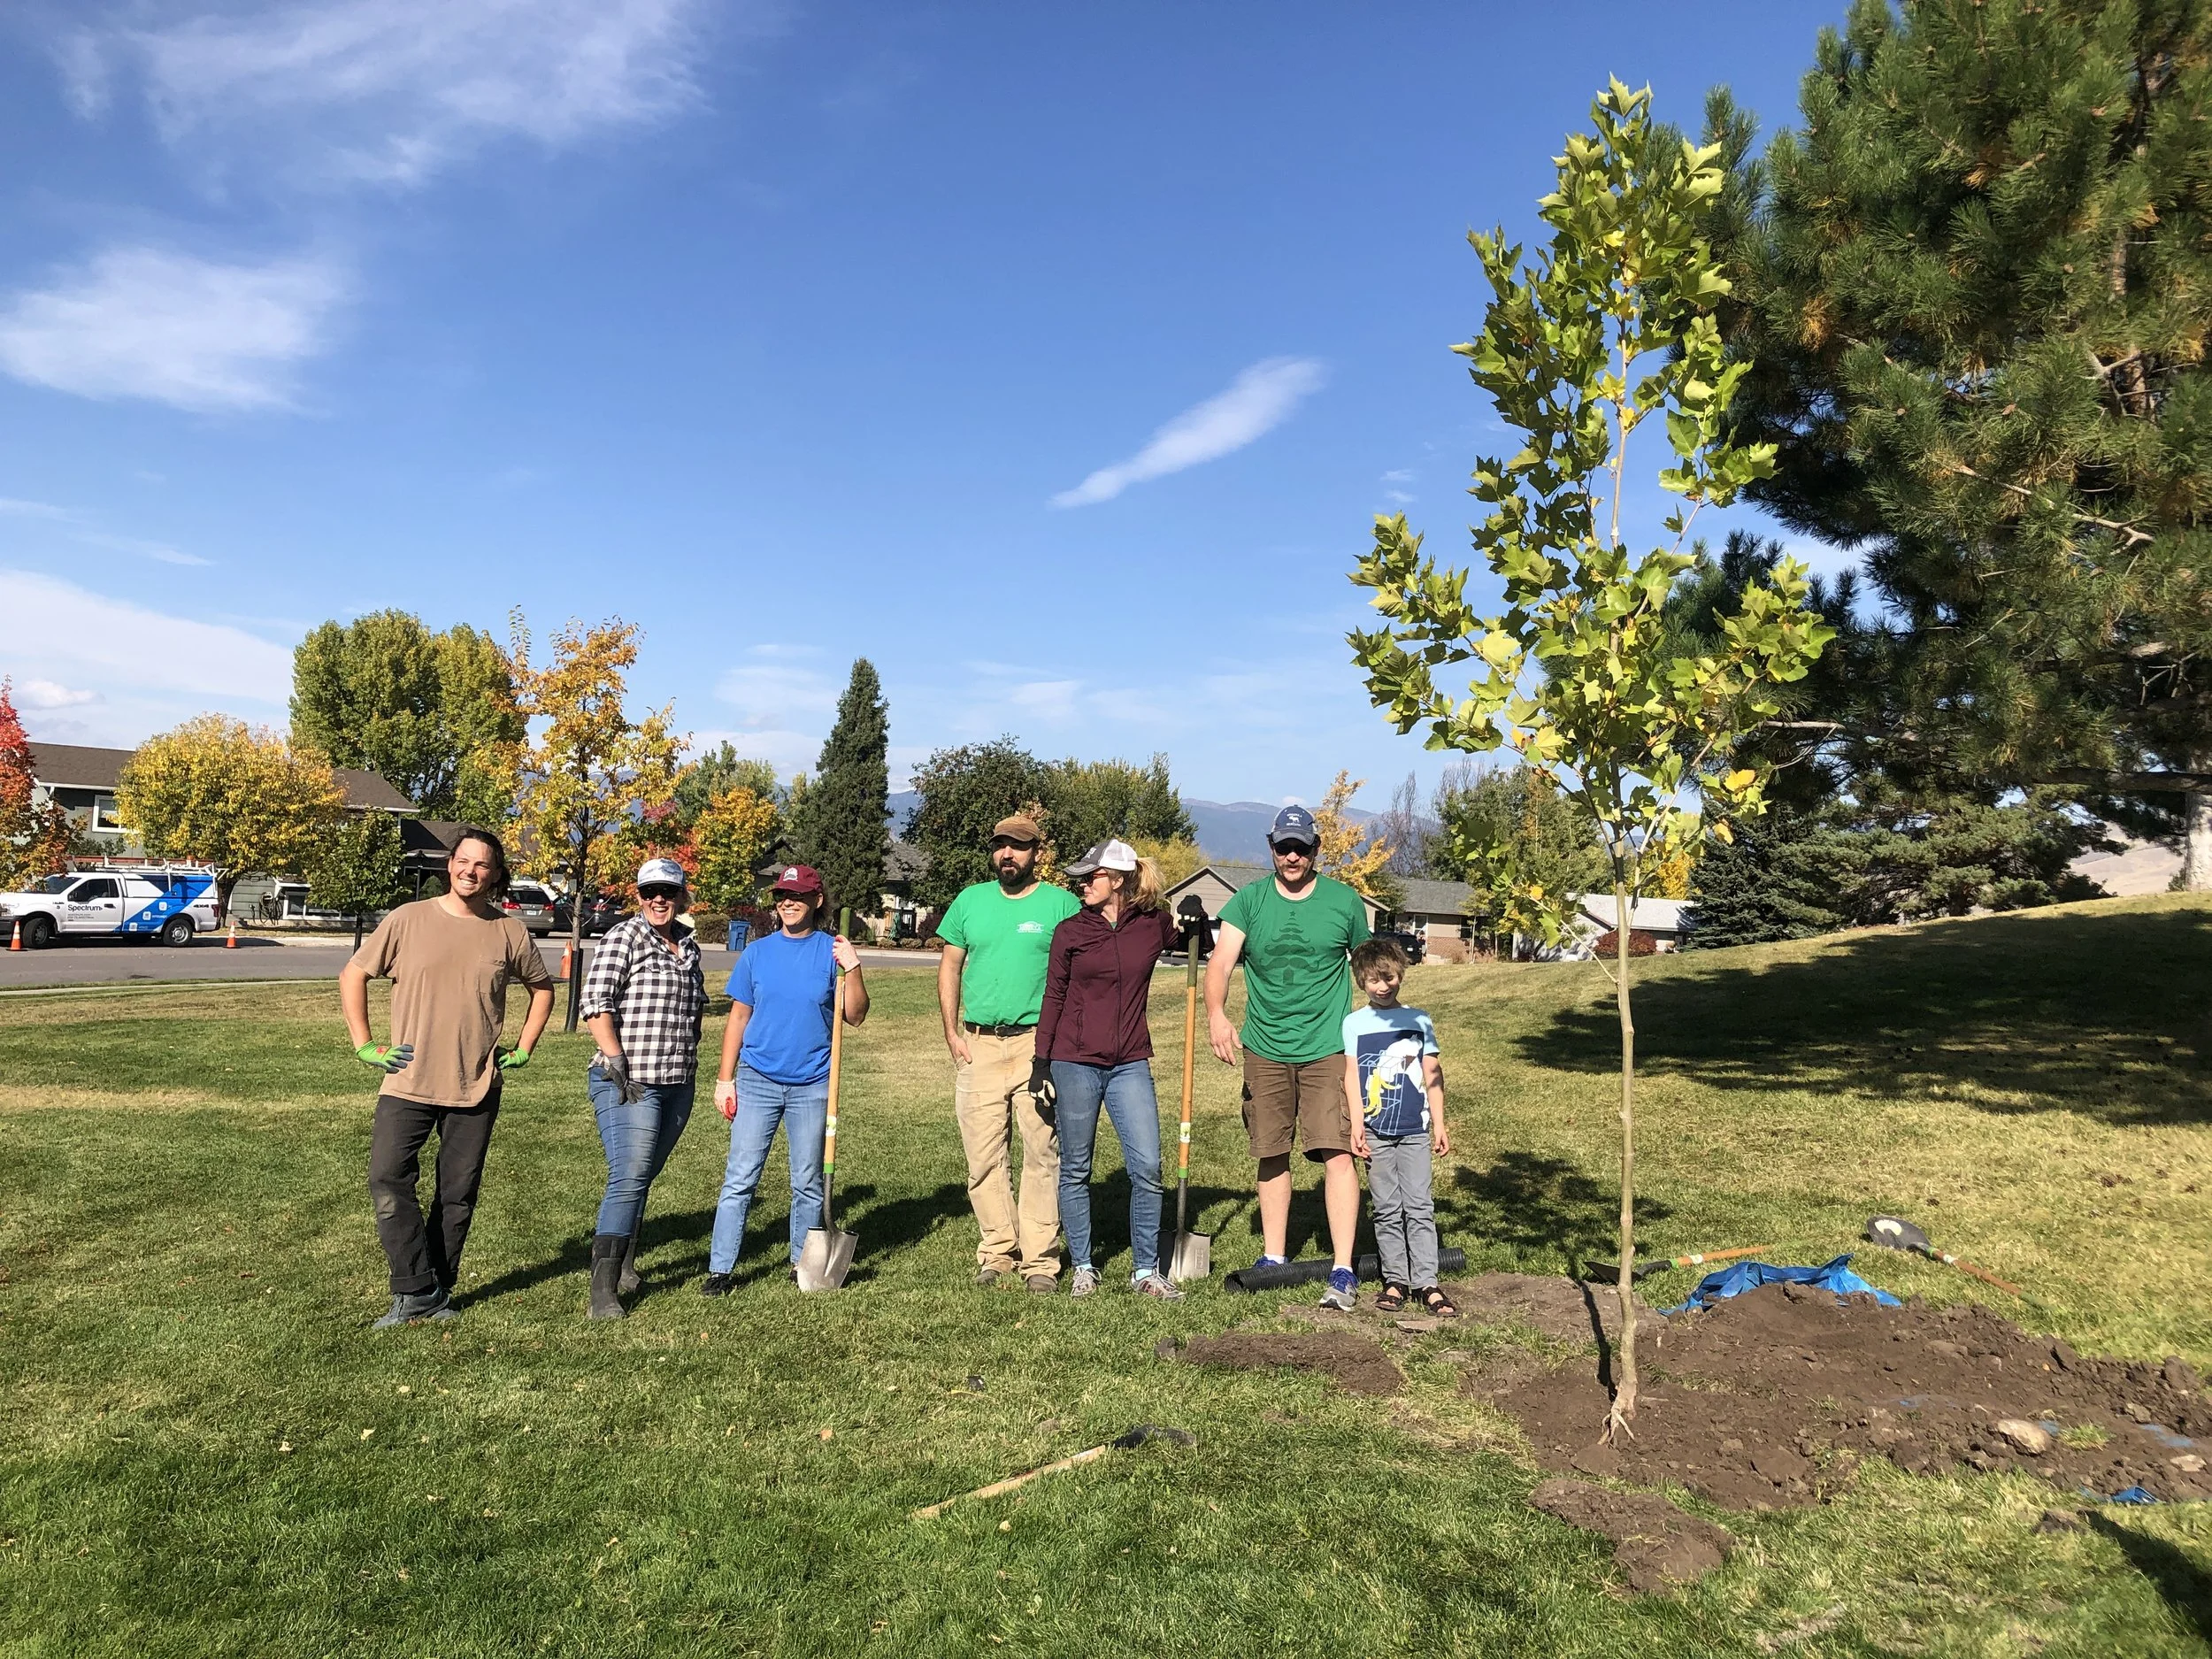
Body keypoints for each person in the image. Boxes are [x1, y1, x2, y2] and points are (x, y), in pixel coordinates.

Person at [340, 826, 555, 1328]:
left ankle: (435, 1289)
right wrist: (365, 1045)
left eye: (482, 865)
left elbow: (542, 990)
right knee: (388, 1177)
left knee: (457, 1193)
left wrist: (524, 1047)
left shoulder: (509, 932)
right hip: (407, 1081)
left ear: (496, 874)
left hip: (475, 1085)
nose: (469, 871)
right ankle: (415, 1288)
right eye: (462, 860)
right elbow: (354, 974)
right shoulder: (408, 919)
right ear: (449, 864)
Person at [1203, 803, 1373, 1310]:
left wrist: (1381, 1027)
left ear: (1315, 849)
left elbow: (1369, 969)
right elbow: (1221, 962)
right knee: (1270, 1149)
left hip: (1329, 1048)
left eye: (1301, 847)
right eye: (1283, 847)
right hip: (1266, 1047)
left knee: (1337, 1151)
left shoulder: (1345, 902)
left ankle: (1343, 1267)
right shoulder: (1248, 902)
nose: (1292, 855)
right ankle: (1274, 1257)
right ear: (1272, 848)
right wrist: (1217, 1014)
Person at [702, 864, 867, 1294]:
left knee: (807, 1180)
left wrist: (853, 968)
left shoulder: (831, 951)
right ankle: (720, 1269)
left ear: (816, 901)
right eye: (781, 896)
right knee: (740, 1177)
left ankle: (801, 1263)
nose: (787, 903)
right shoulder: (758, 953)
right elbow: (739, 1016)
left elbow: (856, 1015)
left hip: (813, 1084)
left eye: (796, 896)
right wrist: (725, 1079)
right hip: (757, 1079)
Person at [1035, 839, 1186, 1300]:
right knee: (1076, 1166)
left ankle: (1145, 1272)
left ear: (1117, 879)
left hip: (1130, 1063)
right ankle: (1083, 1264)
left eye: (1091, 876)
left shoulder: (1152, 925)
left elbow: (1195, 939)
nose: (1081, 883)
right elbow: (1054, 995)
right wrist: (1041, 1061)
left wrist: (1198, 919)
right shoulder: (1070, 932)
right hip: (1073, 1061)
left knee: (1147, 1165)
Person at [936, 813, 1079, 1292]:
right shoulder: (970, 902)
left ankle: (1040, 1261)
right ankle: (997, 1251)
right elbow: (950, 967)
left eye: (1018, 846)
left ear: (1036, 852)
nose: (1007, 854)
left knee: (1042, 1152)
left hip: (1036, 1045)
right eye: (1000, 845)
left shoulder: (1061, 905)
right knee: (983, 1157)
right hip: (977, 1045)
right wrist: (952, 1032)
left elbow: (1078, 976)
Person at [578, 856, 706, 1319]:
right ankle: (604, 1292)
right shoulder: (624, 937)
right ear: (637, 895)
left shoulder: (688, 946)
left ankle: (627, 1266)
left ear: (681, 896)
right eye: (650, 891)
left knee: (644, 1173)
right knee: (629, 1175)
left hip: (677, 1082)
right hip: (629, 1081)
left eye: (668, 892)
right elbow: (595, 1001)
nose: (659, 899)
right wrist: (614, 1058)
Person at [1343, 938, 1455, 1317]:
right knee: (1387, 1208)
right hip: (1375, 1129)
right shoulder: (1354, 1024)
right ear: (1362, 982)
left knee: (1420, 1206)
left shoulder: (1419, 1020)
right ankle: (1395, 1280)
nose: (1383, 986)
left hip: (1415, 1129)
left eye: (1389, 977)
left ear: (1400, 975)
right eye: (1374, 980)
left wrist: (1439, 1123)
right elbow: (1351, 1078)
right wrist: (1357, 1124)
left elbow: (1432, 1073)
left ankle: (1428, 1283)